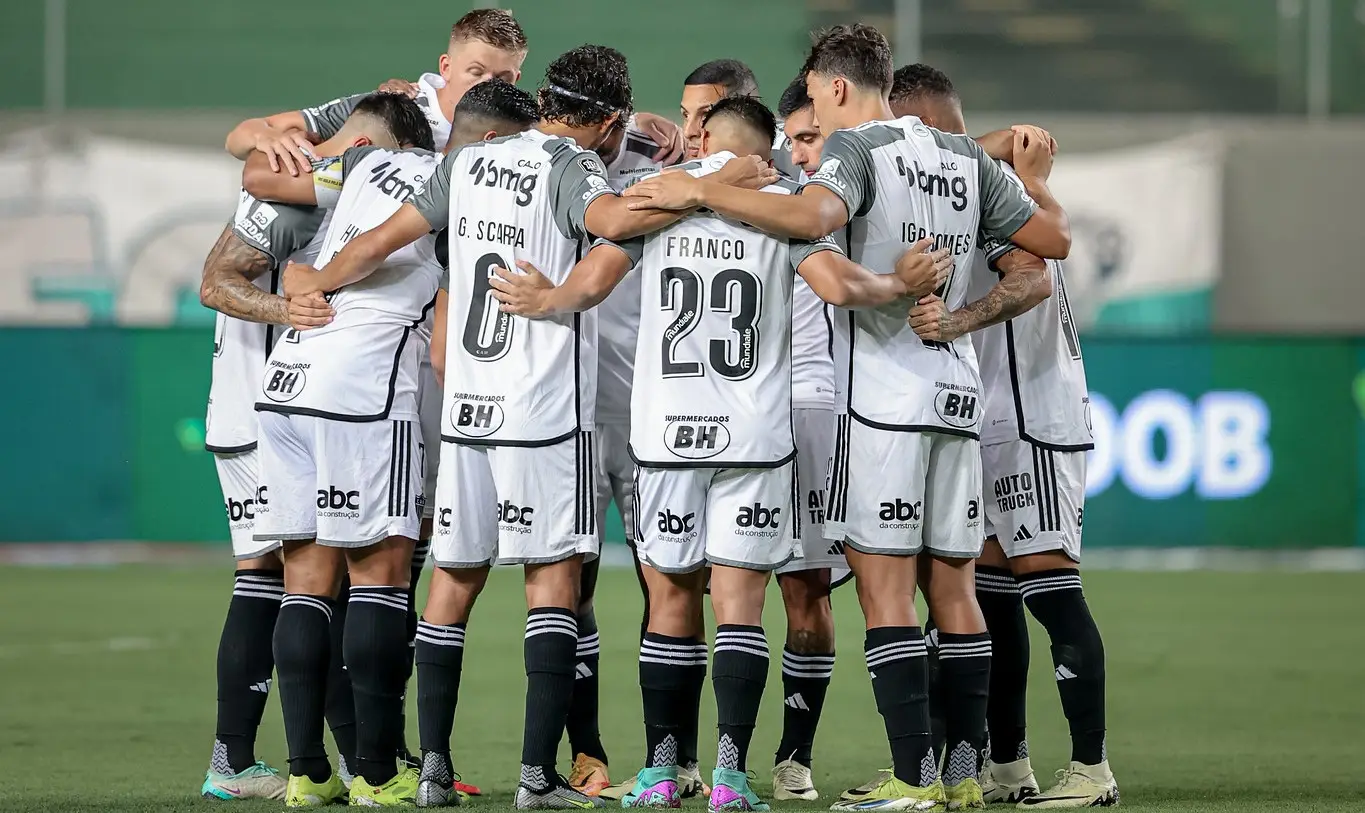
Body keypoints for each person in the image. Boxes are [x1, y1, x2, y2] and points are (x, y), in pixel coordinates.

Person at [286, 45, 751, 810]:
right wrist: (712, 184)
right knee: (553, 587)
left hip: (469, 411)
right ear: (604, 121)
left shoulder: (470, 164)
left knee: (451, 583)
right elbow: (617, 218)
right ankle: (539, 778)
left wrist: (317, 277)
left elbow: (380, 241)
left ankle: (431, 766)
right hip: (543, 412)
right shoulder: (572, 167)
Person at [623, 22, 1071, 812]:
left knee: (887, 597)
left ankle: (913, 778)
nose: (814, 129)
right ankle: (963, 775)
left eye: (815, 105)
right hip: (956, 398)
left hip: (882, 403)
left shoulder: (855, 152)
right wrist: (965, 308)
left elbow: (807, 220)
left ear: (833, 87)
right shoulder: (964, 157)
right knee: (955, 591)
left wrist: (698, 188)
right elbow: (1049, 240)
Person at [494, 94, 952, 813]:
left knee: (671, 600)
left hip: (666, 432)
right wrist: (901, 282)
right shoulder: (785, 202)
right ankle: (732, 778)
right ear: (763, 147)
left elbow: (592, 282)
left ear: (706, 136)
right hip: (755, 435)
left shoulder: (656, 197)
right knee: (740, 606)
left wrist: (544, 298)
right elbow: (837, 286)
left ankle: (658, 771)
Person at [892, 64, 1118, 809]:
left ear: (921, 126)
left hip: (1035, 416)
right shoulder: (960, 185)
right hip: (982, 416)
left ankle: (1092, 768)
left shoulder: (991, 187)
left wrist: (954, 319)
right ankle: (1008, 764)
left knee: (1051, 590)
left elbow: (1042, 266)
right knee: (990, 598)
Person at [196, 94, 422, 802]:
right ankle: (250, 758)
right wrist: (287, 303)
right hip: (266, 400)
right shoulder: (302, 186)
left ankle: (324, 763)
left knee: (312, 582)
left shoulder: (345, 186)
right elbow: (216, 279)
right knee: (280, 576)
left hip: (291, 393)